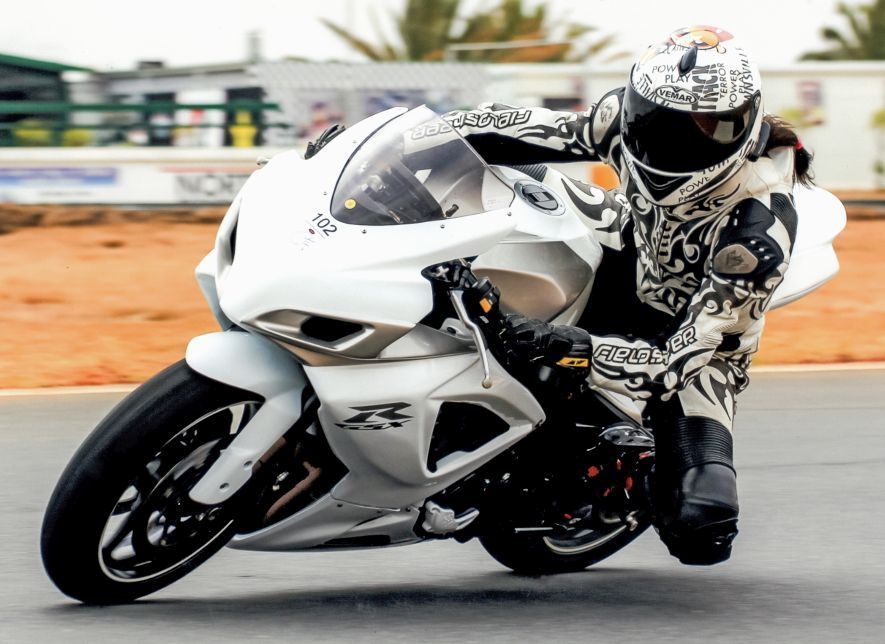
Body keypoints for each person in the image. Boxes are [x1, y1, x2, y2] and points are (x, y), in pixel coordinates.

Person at [445, 25, 813, 565]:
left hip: (695, 342)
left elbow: (674, 363)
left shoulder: (757, 228)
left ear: (744, 123)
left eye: (701, 131)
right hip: (622, 243)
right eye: (655, 120)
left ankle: (633, 474)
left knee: (701, 527)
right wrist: (392, 139)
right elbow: (511, 124)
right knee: (492, 173)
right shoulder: (621, 117)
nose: (670, 141)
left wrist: (556, 343)